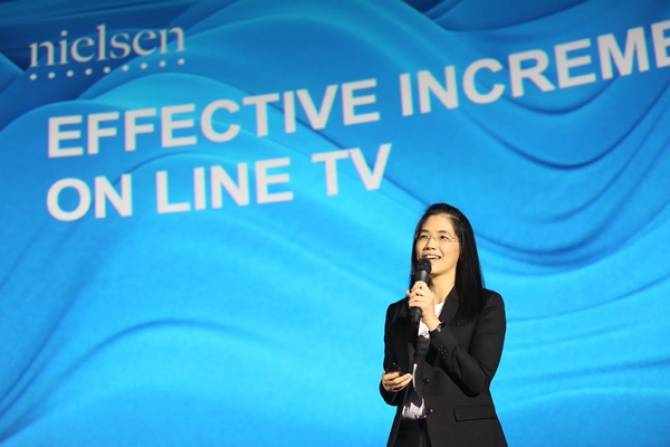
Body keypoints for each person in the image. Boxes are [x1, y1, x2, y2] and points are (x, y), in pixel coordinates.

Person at [380, 203, 507, 447]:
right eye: (423, 236)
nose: (430, 245)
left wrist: (433, 322)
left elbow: (476, 380)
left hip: (465, 437)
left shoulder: (486, 304)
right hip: (409, 435)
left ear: (463, 249)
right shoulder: (397, 312)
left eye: (443, 237)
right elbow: (394, 386)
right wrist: (388, 385)